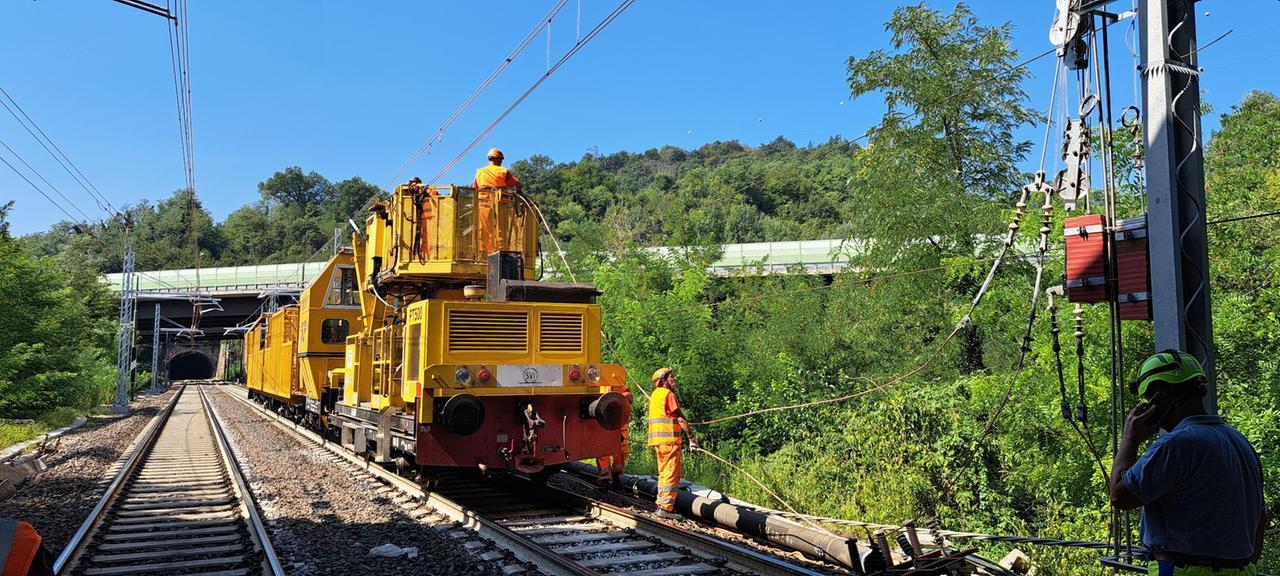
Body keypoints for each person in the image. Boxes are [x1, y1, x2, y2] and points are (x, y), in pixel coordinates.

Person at [1110, 349, 1265, 575]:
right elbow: (1260, 517)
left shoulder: (1176, 445)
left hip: (1184, 569)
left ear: (1159, 397)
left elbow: (1120, 496)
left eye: (1148, 400)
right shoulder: (1240, 442)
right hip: (1242, 570)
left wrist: (1130, 439)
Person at [648, 367, 699, 520]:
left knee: (663, 473)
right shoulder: (668, 394)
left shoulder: (655, 395)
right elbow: (680, 418)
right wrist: (692, 437)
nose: (674, 379)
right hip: (669, 441)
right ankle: (665, 508)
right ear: (663, 381)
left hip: (658, 441)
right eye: (671, 377)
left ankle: (662, 503)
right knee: (671, 474)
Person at [471, 148, 522, 256]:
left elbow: (474, 188)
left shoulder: (480, 172)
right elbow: (517, 183)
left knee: (483, 229)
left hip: (483, 203)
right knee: (500, 229)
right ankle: (500, 254)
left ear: (489, 159)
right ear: (499, 160)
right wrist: (518, 192)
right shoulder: (503, 171)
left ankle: (483, 254)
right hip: (500, 204)